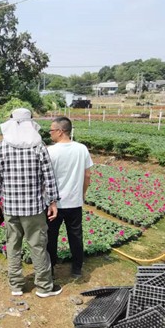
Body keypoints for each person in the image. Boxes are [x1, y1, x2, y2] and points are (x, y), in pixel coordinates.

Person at [0, 108, 61, 298]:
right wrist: (53, 201)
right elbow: (49, 177)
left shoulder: (0, 147)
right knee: (38, 246)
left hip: (11, 208)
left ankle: (16, 285)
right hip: (34, 208)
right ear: (31, 123)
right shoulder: (39, 147)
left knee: (13, 246)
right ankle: (44, 287)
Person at [46, 116, 93, 279]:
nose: (50, 133)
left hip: (54, 204)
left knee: (51, 237)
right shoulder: (82, 149)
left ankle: (50, 269)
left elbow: (45, 179)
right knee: (76, 235)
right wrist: (82, 194)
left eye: (51, 130)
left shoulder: (50, 151)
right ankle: (77, 269)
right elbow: (87, 176)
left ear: (60, 131)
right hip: (75, 202)